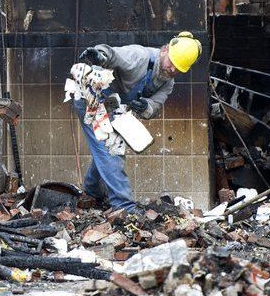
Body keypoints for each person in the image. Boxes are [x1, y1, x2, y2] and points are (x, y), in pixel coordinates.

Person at [73, 31, 202, 212]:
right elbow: (112, 55)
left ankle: (91, 193)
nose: (172, 69)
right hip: (93, 95)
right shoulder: (140, 56)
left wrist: (145, 106)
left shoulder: (167, 83)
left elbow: (155, 106)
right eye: (172, 63)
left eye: (178, 69)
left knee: (106, 149)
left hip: (114, 106)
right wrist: (99, 54)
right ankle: (124, 206)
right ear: (165, 50)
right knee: (111, 149)